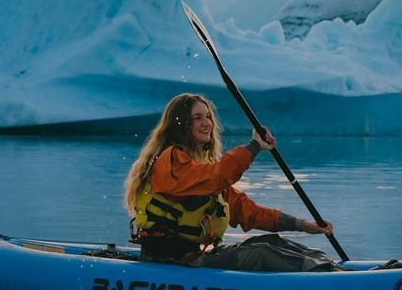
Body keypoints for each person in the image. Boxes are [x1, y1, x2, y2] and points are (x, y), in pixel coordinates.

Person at [123, 92, 338, 271]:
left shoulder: (199, 172)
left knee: (272, 242)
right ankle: (332, 280)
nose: (206, 123)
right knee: (261, 254)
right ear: (180, 124)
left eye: (207, 116)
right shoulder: (171, 162)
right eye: (197, 117)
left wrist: (302, 225)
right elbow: (217, 176)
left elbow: (246, 211)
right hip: (171, 260)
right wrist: (254, 147)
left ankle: (334, 270)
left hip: (192, 256)